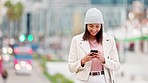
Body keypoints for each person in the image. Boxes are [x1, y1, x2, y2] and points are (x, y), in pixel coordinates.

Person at [68, 8, 120, 83]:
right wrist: (83, 61)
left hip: (103, 79)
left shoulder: (109, 40)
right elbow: (71, 67)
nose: (94, 29)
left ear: (101, 26)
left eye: (97, 26)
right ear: (86, 25)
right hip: (83, 80)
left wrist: (104, 60)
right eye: (91, 26)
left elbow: (117, 66)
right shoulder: (76, 40)